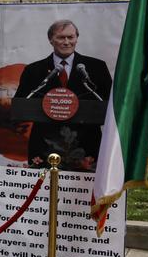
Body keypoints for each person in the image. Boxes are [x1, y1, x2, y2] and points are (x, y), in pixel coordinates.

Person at [13, 19, 113, 171]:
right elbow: (21, 103)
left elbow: (109, 103)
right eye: (61, 37)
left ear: (76, 38)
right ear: (51, 40)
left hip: (86, 144)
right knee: (45, 190)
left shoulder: (96, 67)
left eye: (71, 37)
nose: (67, 42)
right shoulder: (33, 70)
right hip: (44, 144)